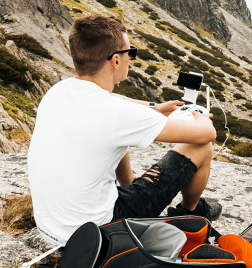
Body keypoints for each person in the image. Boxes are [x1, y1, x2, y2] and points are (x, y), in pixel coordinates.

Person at [27, 14, 221, 246]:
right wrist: (201, 117)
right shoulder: (117, 114)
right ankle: (190, 212)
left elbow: (114, 100)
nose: (131, 57)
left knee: (116, 139)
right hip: (101, 232)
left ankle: (130, 186)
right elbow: (207, 134)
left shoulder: (59, 90)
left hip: (52, 229)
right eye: (131, 52)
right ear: (116, 60)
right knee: (201, 147)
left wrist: (154, 107)